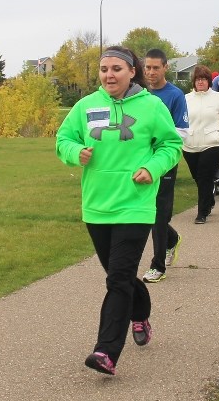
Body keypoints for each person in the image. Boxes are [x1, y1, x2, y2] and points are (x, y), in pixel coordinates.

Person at [55, 45, 182, 375]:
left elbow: (171, 145)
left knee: (118, 279)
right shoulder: (85, 106)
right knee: (118, 277)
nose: (109, 75)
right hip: (97, 205)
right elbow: (62, 139)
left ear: (132, 72)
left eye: (116, 69)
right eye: (104, 69)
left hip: (135, 204)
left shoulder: (152, 107)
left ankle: (106, 351)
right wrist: (74, 152)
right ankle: (139, 313)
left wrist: (152, 169)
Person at [142, 49, 189, 284]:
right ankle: (171, 239)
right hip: (140, 163)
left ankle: (157, 266)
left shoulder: (175, 95)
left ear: (165, 67)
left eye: (155, 68)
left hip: (165, 162)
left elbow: (182, 132)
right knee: (147, 213)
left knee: (159, 214)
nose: (151, 72)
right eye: (147, 67)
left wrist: (156, 145)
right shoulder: (138, 93)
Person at [182, 65, 219, 224]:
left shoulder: (218, 97)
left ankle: (201, 213)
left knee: (204, 177)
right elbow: (180, 120)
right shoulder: (186, 98)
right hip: (190, 144)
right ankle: (209, 200)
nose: (201, 82)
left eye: (203, 79)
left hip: (213, 144)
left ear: (209, 81)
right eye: (198, 79)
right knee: (198, 177)